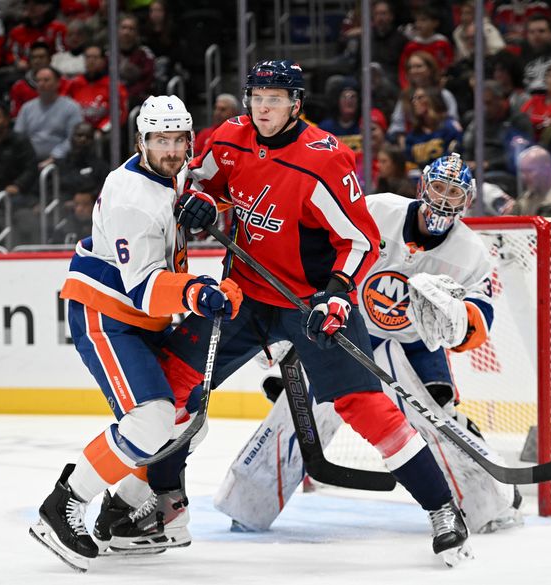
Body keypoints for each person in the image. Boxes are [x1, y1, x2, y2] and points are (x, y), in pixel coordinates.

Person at [153, 59, 471, 563]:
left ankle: (442, 508)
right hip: (243, 295)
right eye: (257, 97)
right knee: (169, 380)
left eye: (274, 99)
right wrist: (197, 204)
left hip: (309, 303)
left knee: (366, 408)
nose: (263, 108)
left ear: (296, 104)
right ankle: (162, 503)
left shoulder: (324, 159)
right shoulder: (230, 138)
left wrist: (338, 293)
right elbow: (200, 187)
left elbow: (360, 239)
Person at [215, 154, 521, 537]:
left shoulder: (472, 252)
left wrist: (460, 321)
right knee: (307, 406)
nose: (443, 199)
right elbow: (324, 252)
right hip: (352, 328)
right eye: (439, 188)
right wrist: (294, 323)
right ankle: (248, 502)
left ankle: (487, 504)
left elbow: (480, 316)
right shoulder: (378, 211)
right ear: (422, 186)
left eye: (454, 192)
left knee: (433, 416)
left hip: (416, 345)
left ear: (467, 201)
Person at [29, 95, 242, 571]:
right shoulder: (132, 200)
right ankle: (61, 507)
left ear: (189, 141)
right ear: (140, 141)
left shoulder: (173, 171)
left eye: (177, 140)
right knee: (150, 419)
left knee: (189, 421)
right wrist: (198, 292)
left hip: (142, 320)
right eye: (159, 140)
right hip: (106, 314)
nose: (170, 149)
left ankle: (122, 516)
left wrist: (204, 203)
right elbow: (145, 289)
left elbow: (198, 191)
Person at [14, 66, 83, 167]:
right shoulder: (27, 108)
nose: (41, 84)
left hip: (61, 160)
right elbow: (18, 136)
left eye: (46, 80)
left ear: (58, 83)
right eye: (38, 80)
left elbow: (73, 138)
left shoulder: (71, 107)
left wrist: (55, 156)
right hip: (29, 160)